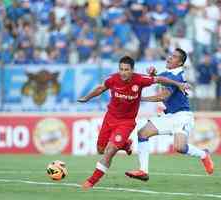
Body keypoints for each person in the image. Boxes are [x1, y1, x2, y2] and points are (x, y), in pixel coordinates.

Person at [78, 55, 188, 190]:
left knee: (110, 150)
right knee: (100, 150)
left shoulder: (140, 79)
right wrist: (86, 98)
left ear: (132, 70)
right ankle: (125, 144)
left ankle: (91, 181)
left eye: (126, 69)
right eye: (121, 69)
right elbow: (100, 88)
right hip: (109, 118)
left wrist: (178, 84)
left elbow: (159, 79)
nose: (123, 72)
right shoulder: (113, 79)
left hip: (126, 122)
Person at [125, 48, 214, 182]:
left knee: (180, 148)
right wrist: (153, 73)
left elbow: (163, 96)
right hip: (170, 116)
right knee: (143, 133)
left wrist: (140, 99)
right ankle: (143, 171)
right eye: (170, 55)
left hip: (182, 116)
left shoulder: (176, 76)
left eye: (174, 57)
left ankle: (203, 154)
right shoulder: (169, 73)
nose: (169, 58)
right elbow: (159, 79)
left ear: (180, 63)